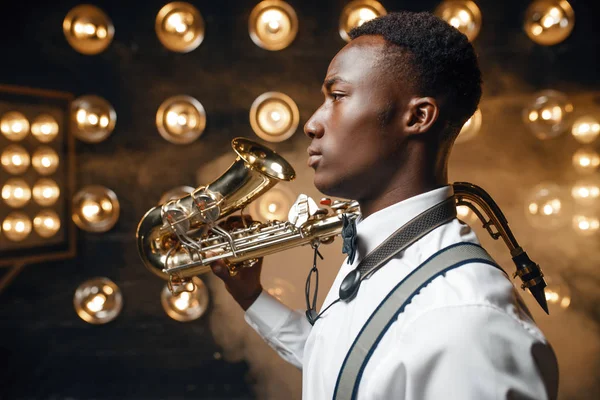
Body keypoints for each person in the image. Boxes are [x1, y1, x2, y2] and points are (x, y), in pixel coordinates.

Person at [210, 11, 559, 400]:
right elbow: (357, 369)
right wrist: (251, 296)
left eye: (337, 96)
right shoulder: (388, 255)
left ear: (418, 116)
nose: (311, 123)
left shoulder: (466, 318)